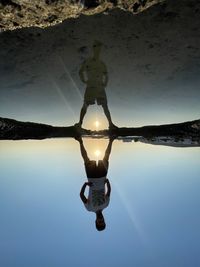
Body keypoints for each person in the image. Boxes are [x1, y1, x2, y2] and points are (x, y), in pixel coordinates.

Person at [75, 40, 117, 130]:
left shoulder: (102, 64)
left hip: (99, 87)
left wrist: (105, 83)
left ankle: (111, 124)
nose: (98, 50)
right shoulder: (88, 62)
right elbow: (80, 72)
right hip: (91, 86)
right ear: (94, 49)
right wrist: (84, 80)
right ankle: (80, 123)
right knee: (86, 104)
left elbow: (106, 75)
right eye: (96, 47)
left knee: (104, 105)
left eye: (99, 48)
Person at [76, 136, 114, 231]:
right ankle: (111, 140)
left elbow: (81, 195)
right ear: (105, 220)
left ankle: (80, 141)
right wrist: (108, 182)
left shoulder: (89, 208)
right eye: (103, 221)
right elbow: (109, 192)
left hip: (91, 178)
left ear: (96, 221)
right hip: (102, 176)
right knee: (106, 157)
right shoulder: (106, 205)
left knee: (86, 159)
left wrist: (85, 185)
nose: (101, 220)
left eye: (99, 222)